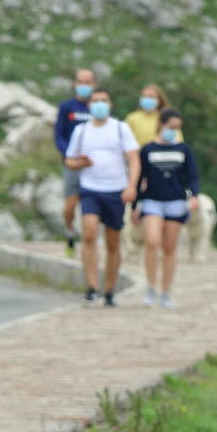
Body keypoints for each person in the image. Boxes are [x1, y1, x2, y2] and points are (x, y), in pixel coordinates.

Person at [64, 88, 140, 307]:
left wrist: (131, 186)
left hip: (116, 190)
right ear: (89, 106)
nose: (100, 105)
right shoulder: (81, 131)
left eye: (103, 101)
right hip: (90, 189)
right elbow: (69, 160)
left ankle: (109, 289)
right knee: (88, 233)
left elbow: (134, 158)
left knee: (113, 242)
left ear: (110, 104)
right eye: (95, 101)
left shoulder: (120, 129)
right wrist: (81, 163)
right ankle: (91, 287)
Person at [132, 109, 199, 309]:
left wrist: (193, 195)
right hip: (152, 200)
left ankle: (165, 291)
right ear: (161, 125)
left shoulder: (184, 150)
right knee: (152, 242)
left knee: (170, 248)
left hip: (176, 202)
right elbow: (139, 178)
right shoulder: (147, 150)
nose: (173, 131)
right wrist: (135, 205)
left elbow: (192, 176)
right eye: (171, 127)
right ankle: (150, 287)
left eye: (177, 128)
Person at [53, 68, 96, 255]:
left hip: (93, 164)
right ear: (75, 84)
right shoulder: (67, 107)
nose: (84, 86)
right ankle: (69, 230)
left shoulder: (97, 107)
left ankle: (89, 241)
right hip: (72, 164)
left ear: (94, 84)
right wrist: (68, 154)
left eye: (88, 82)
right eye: (81, 82)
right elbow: (58, 134)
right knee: (70, 205)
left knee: (91, 206)